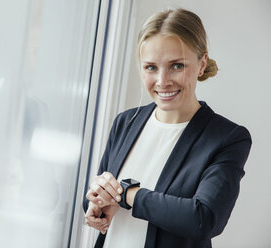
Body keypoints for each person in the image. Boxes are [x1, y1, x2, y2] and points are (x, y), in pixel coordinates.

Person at [82, 8, 252, 248]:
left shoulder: (226, 138)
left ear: (201, 63)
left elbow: (204, 219)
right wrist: (95, 200)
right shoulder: (125, 122)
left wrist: (127, 194)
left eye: (177, 66)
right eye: (151, 67)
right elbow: (103, 197)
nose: (162, 81)